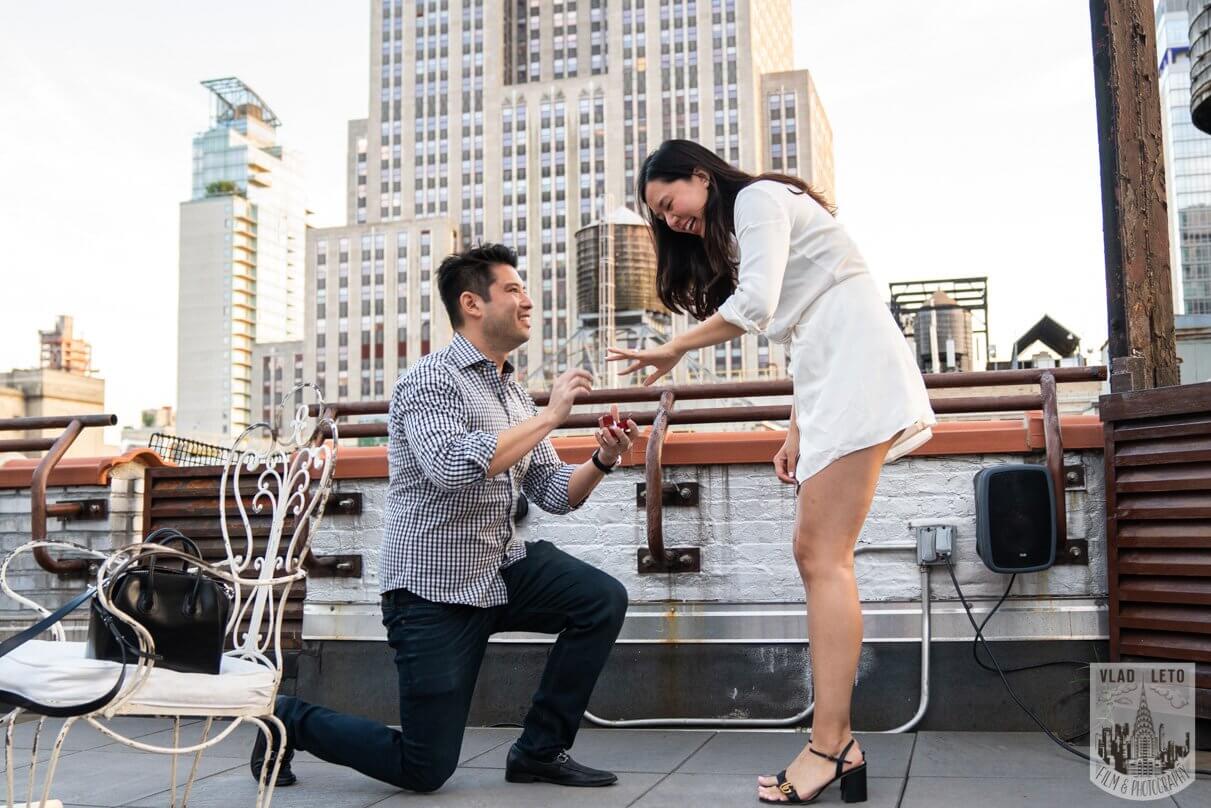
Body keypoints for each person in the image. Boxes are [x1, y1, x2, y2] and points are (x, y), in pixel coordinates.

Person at [608, 140, 936, 805]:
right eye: (659, 216)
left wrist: (674, 346)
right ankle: (834, 743)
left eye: (670, 203)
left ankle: (831, 745)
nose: (670, 221)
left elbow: (757, 305)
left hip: (854, 365)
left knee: (824, 556)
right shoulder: (749, 220)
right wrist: (797, 427)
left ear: (700, 177)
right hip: (830, 370)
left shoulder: (757, 198)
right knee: (818, 555)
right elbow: (801, 324)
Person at [256, 243, 638, 793]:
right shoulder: (429, 381)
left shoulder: (510, 392)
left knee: (599, 599)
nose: (528, 300)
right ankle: (286, 720)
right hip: (432, 593)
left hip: (500, 570)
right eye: (513, 289)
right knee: (425, 768)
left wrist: (603, 458)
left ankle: (539, 749)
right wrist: (553, 416)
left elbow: (555, 493)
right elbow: (454, 469)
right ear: (472, 303)